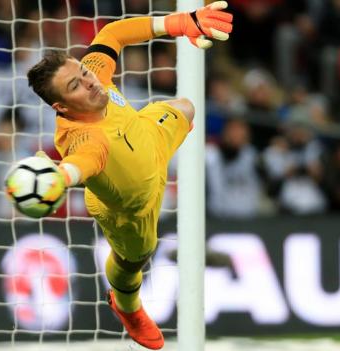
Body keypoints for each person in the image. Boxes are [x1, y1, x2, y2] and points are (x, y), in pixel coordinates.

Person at [25, 2, 233, 349]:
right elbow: (83, 163)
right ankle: (127, 306)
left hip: (149, 137)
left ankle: (164, 133)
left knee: (185, 106)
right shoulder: (84, 137)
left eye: (85, 74)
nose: (90, 84)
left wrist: (181, 22)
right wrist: (59, 177)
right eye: (76, 86)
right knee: (133, 261)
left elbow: (112, 34)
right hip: (130, 207)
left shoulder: (95, 76)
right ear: (62, 107)